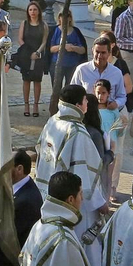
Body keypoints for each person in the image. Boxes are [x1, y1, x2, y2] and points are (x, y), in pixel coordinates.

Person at [36, 85, 105, 241]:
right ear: (78, 105)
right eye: (85, 99)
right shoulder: (76, 131)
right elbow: (85, 173)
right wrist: (98, 202)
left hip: (49, 192)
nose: (87, 102)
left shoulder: (52, 121)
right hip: (71, 200)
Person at [48, 11, 89, 112]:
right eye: (62, 16)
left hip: (72, 65)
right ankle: (55, 109)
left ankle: (68, 109)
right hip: (57, 64)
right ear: (59, 18)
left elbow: (83, 49)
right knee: (56, 88)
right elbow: (50, 49)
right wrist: (62, 47)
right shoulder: (55, 31)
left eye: (67, 16)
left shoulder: (76, 31)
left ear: (70, 18)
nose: (65, 19)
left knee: (70, 88)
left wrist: (74, 48)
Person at [73, 38, 127, 109]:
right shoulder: (81, 70)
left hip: (109, 113)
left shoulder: (116, 73)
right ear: (92, 51)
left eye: (103, 53)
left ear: (109, 53)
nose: (99, 56)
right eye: (97, 52)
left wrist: (116, 103)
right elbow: (73, 93)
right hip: (87, 113)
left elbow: (122, 96)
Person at [17, 1, 50, 116]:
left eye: (35, 10)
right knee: (26, 80)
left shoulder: (43, 25)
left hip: (38, 56)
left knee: (37, 80)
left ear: (39, 11)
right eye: (30, 10)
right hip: (26, 55)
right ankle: (26, 105)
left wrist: (37, 52)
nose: (32, 12)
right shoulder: (24, 23)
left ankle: (35, 105)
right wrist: (27, 52)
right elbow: (20, 39)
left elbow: (44, 42)